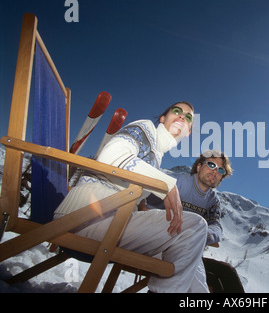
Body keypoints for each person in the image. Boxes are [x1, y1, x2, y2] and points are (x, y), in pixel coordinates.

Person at [53, 101, 210, 293]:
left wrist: (141, 206)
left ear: (188, 132)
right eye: (177, 111)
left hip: (111, 221)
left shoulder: (156, 155)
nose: (181, 117)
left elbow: (128, 184)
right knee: (194, 227)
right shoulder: (144, 128)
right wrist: (167, 185)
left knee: (189, 250)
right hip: (82, 217)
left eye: (188, 117)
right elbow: (110, 156)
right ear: (162, 118)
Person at [144, 150, 245, 292]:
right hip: (156, 244)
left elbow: (216, 228)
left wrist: (201, 233)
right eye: (211, 164)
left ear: (221, 178)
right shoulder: (178, 182)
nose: (215, 171)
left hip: (187, 249)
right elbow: (144, 194)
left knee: (225, 272)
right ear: (199, 166)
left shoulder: (212, 200)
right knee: (183, 268)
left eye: (220, 170)